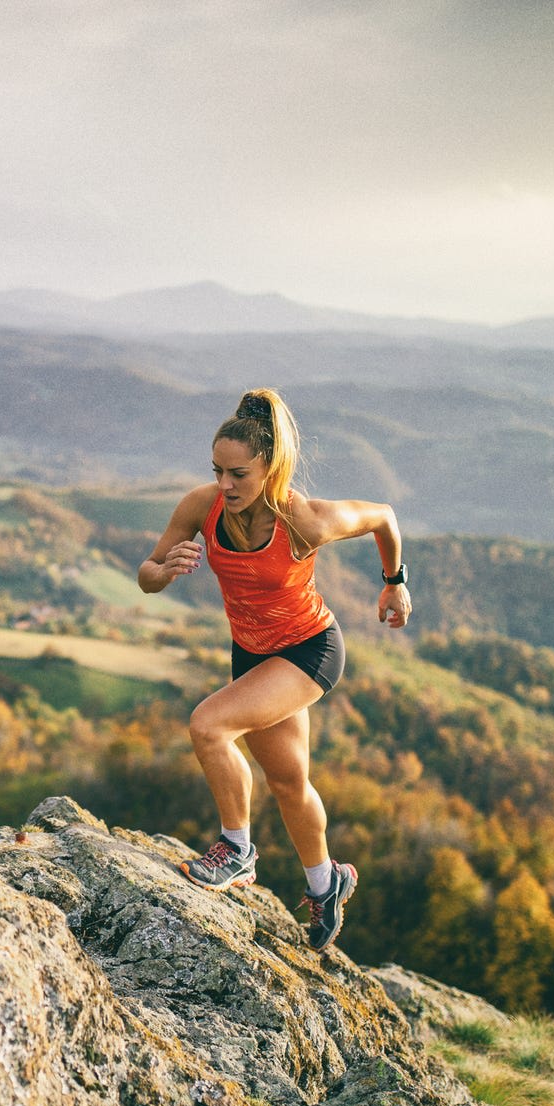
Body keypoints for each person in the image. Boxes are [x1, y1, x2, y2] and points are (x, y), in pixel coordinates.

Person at [137, 389, 412, 950]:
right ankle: (327, 883)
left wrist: (394, 583)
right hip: (254, 655)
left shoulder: (304, 520)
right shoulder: (202, 507)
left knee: (209, 726)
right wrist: (163, 572)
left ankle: (236, 850)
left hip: (310, 649)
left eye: (238, 473)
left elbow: (383, 517)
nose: (225, 484)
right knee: (288, 781)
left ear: (270, 468)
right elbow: (146, 573)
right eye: (217, 471)